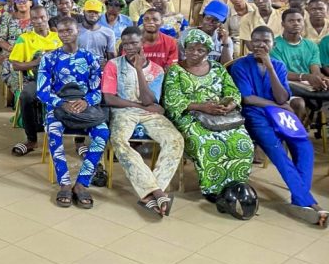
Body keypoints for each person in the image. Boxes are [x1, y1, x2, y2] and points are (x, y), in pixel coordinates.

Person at [230, 27, 327, 227]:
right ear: (250, 43)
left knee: (304, 147)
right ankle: (309, 203)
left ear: (273, 44)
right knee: (277, 152)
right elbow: (248, 99)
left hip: (282, 115)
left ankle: (301, 200)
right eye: (256, 41)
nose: (260, 45)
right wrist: (277, 105)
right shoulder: (241, 65)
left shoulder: (279, 66)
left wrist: (271, 68)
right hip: (255, 116)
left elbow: (283, 97)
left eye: (266, 41)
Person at [163, 29, 253, 203]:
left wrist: (229, 105)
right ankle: (212, 189)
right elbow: (172, 100)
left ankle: (236, 186)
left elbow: (233, 91)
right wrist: (203, 107)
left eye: (200, 50)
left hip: (221, 115)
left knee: (242, 142)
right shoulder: (176, 70)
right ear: (184, 48)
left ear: (207, 52)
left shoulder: (218, 68)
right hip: (189, 115)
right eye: (190, 48)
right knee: (208, 143)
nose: (194, 53)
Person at [101, 27, 184, 217]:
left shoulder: (156, 70)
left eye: (134, 43)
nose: (130, 47)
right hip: (123, 112)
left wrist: (139, 69)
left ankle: (152, 191)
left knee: (175, 140)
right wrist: (138, 106)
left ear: (142, 44)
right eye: (126, 43)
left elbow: (149, 100)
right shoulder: (113, 65)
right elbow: (110, 99)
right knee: (119, 141)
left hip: (149, 113)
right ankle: (158, 193)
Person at [36, 16, 107, 209]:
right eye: (61, 31)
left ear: (78, 31)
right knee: (53, 130)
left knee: (103, 133)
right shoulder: (49, 58)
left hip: (86, 108)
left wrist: (86, 102)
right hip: (59, 108)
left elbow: (98, 89)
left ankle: (82, 183)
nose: (65, 34)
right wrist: (61, 103)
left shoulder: (90, 58)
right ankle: (65, 183)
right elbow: (42, 91)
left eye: (69, 30)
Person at [8, 5, 62, 157]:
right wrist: (37, 62)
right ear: (31, 20)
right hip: (37, 79)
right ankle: (31, 139)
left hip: (59, 80)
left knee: (79, 94)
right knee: (26, 95)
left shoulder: (58, 38)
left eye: (42, 17)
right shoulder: (24, 39)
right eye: (35, 18)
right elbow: (16, 65)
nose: (39, 21)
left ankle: (78, 140)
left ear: (47, 17)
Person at [271, 8, 329, 114]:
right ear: (283, 24)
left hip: (308, 84)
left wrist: (319, 79)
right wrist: (305, 77)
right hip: (284, 84)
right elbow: (280, 73)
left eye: (299, 20)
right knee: (298, 102)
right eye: (291, 21)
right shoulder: (274, 45)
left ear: (304, 23)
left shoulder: (311, 45)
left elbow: (315, 69)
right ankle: (297, 130)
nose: (296, 23)